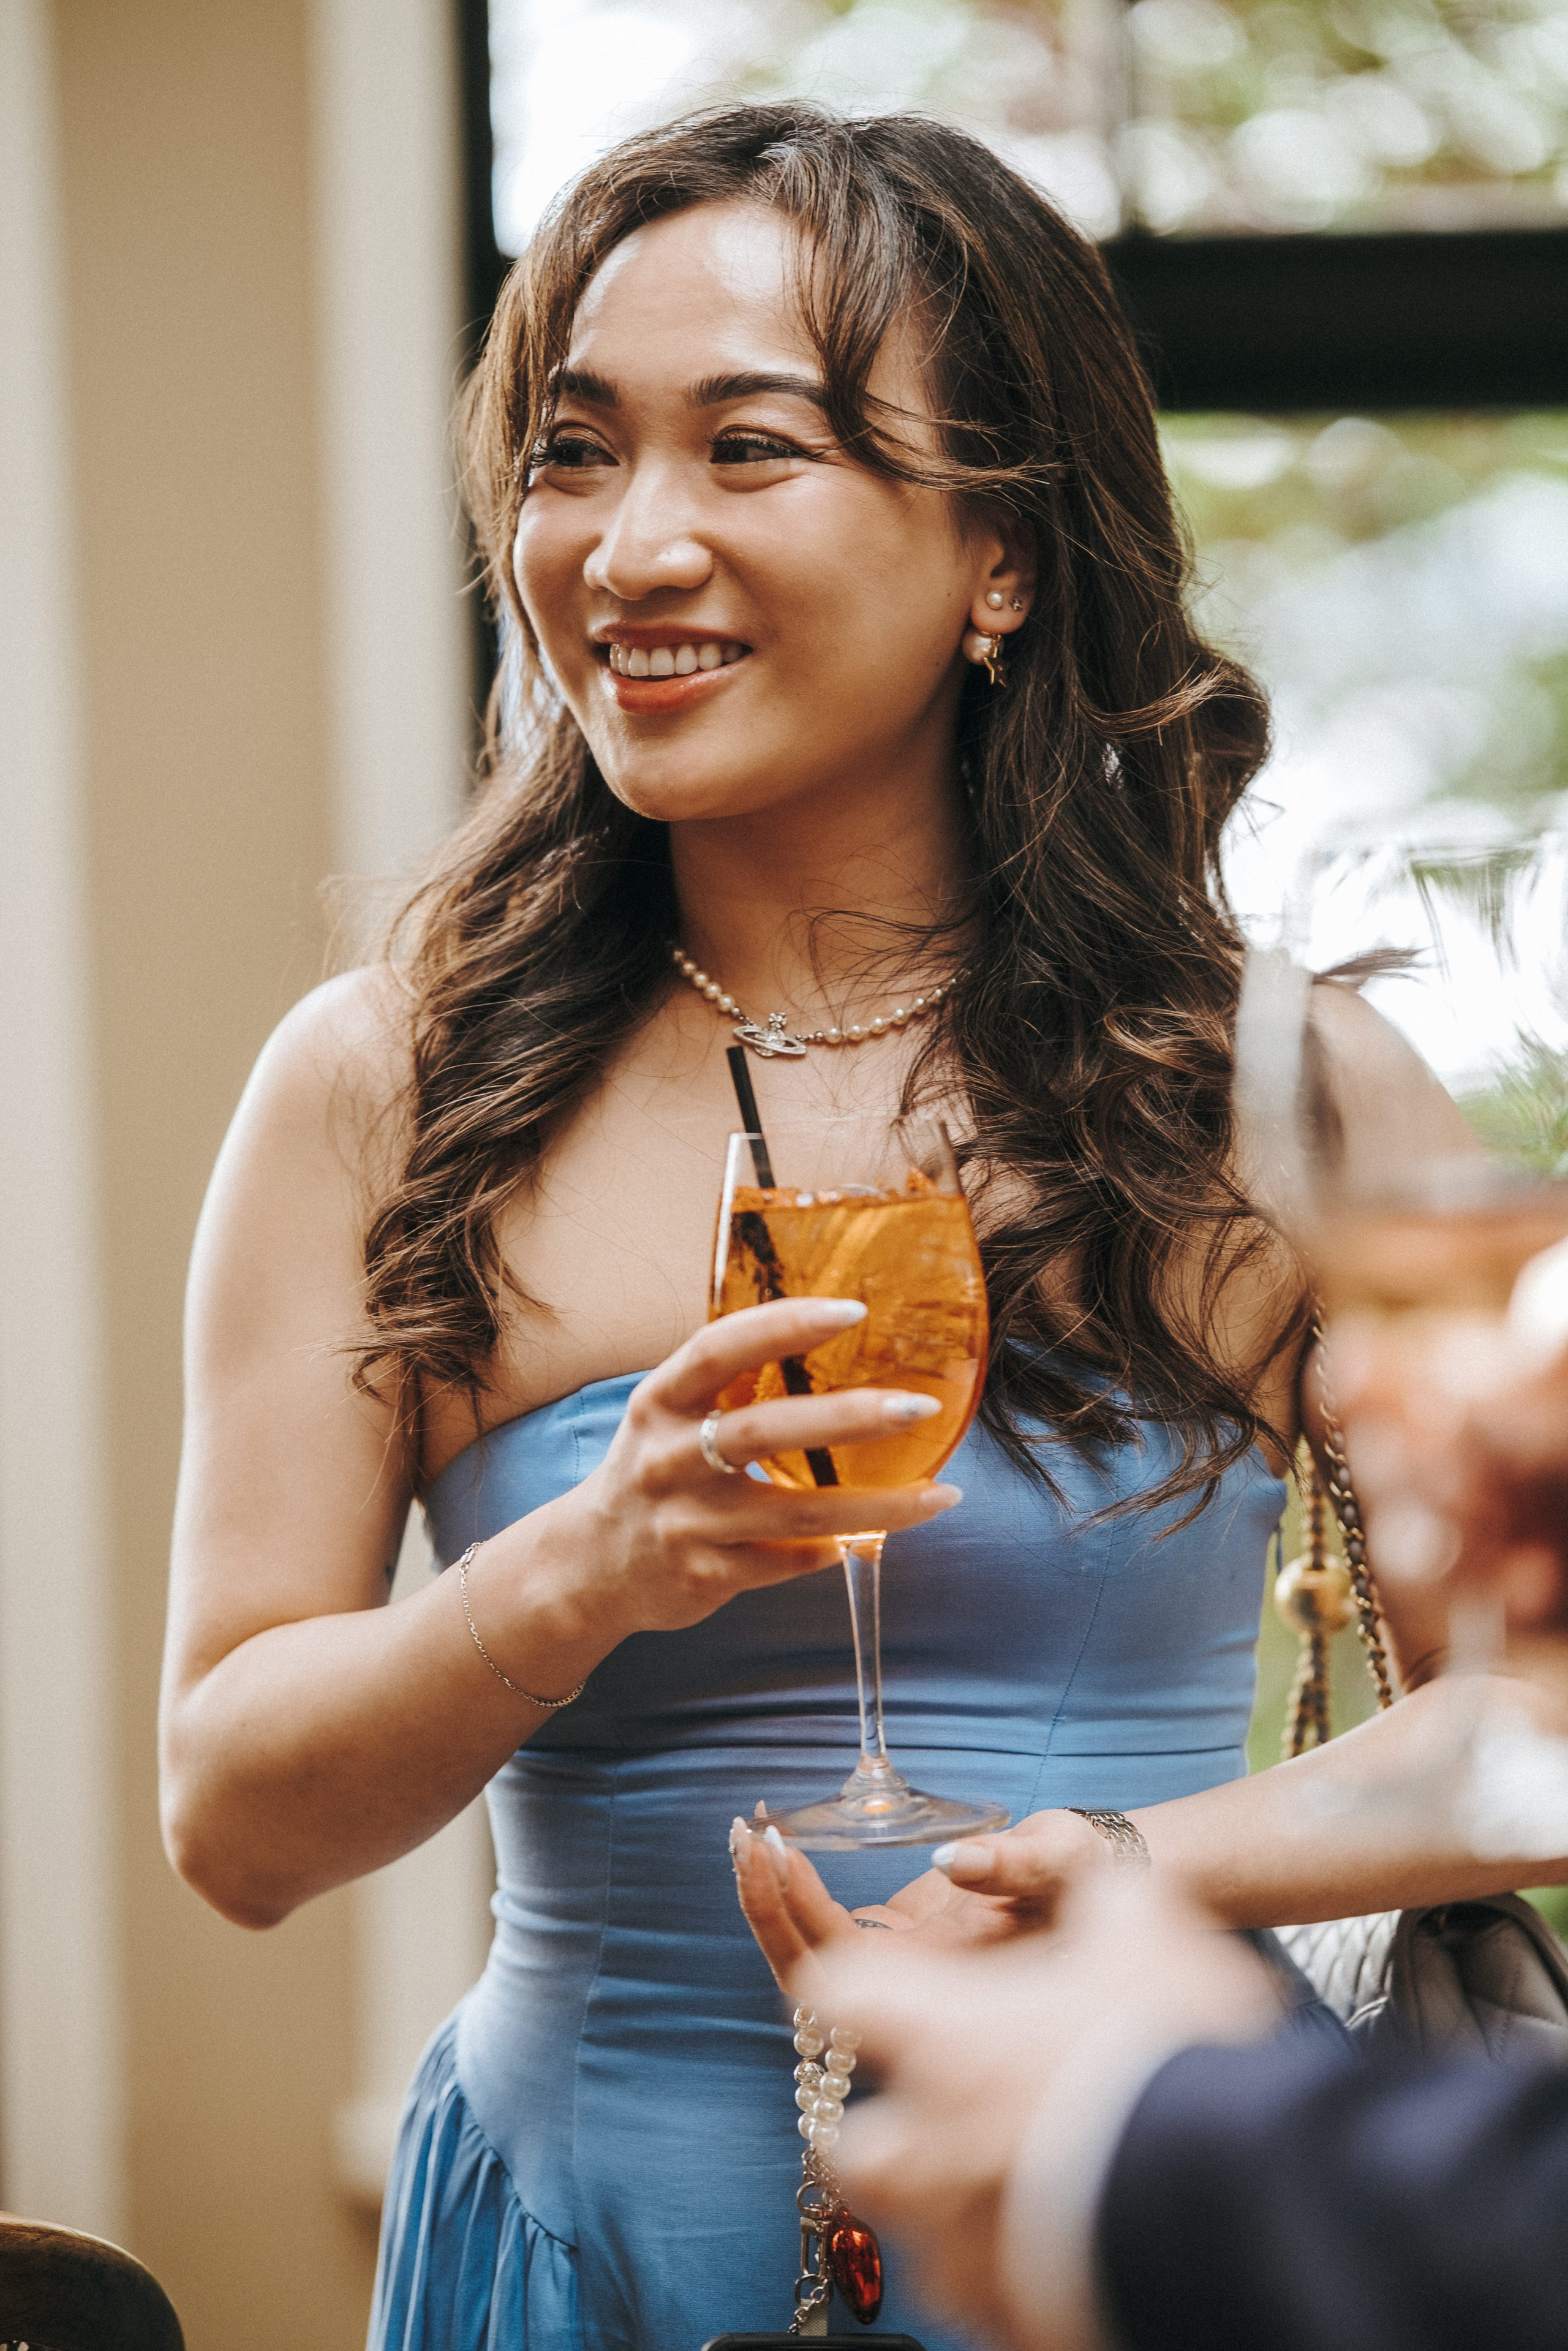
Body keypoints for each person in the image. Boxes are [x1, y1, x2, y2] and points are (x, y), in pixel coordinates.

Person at [157, 100, 1566, 2351]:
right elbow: (232, 1819)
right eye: (574, 452)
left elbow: (1532, 1722)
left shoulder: (1256, 1090)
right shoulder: (383, 1082)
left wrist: (1132, 1862)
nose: (629, 544)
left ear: (1000, 552)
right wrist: (579, 1567)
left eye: (751, 450)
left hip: (1142, 2227)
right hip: (584, 2249)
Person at [805, 1309, 1568, 2351]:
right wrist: (586, 1565)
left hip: (1213, 2146)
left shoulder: (1305, 1178)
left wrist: (1112, 1856)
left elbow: (1530, 1729)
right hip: (601, 2184)